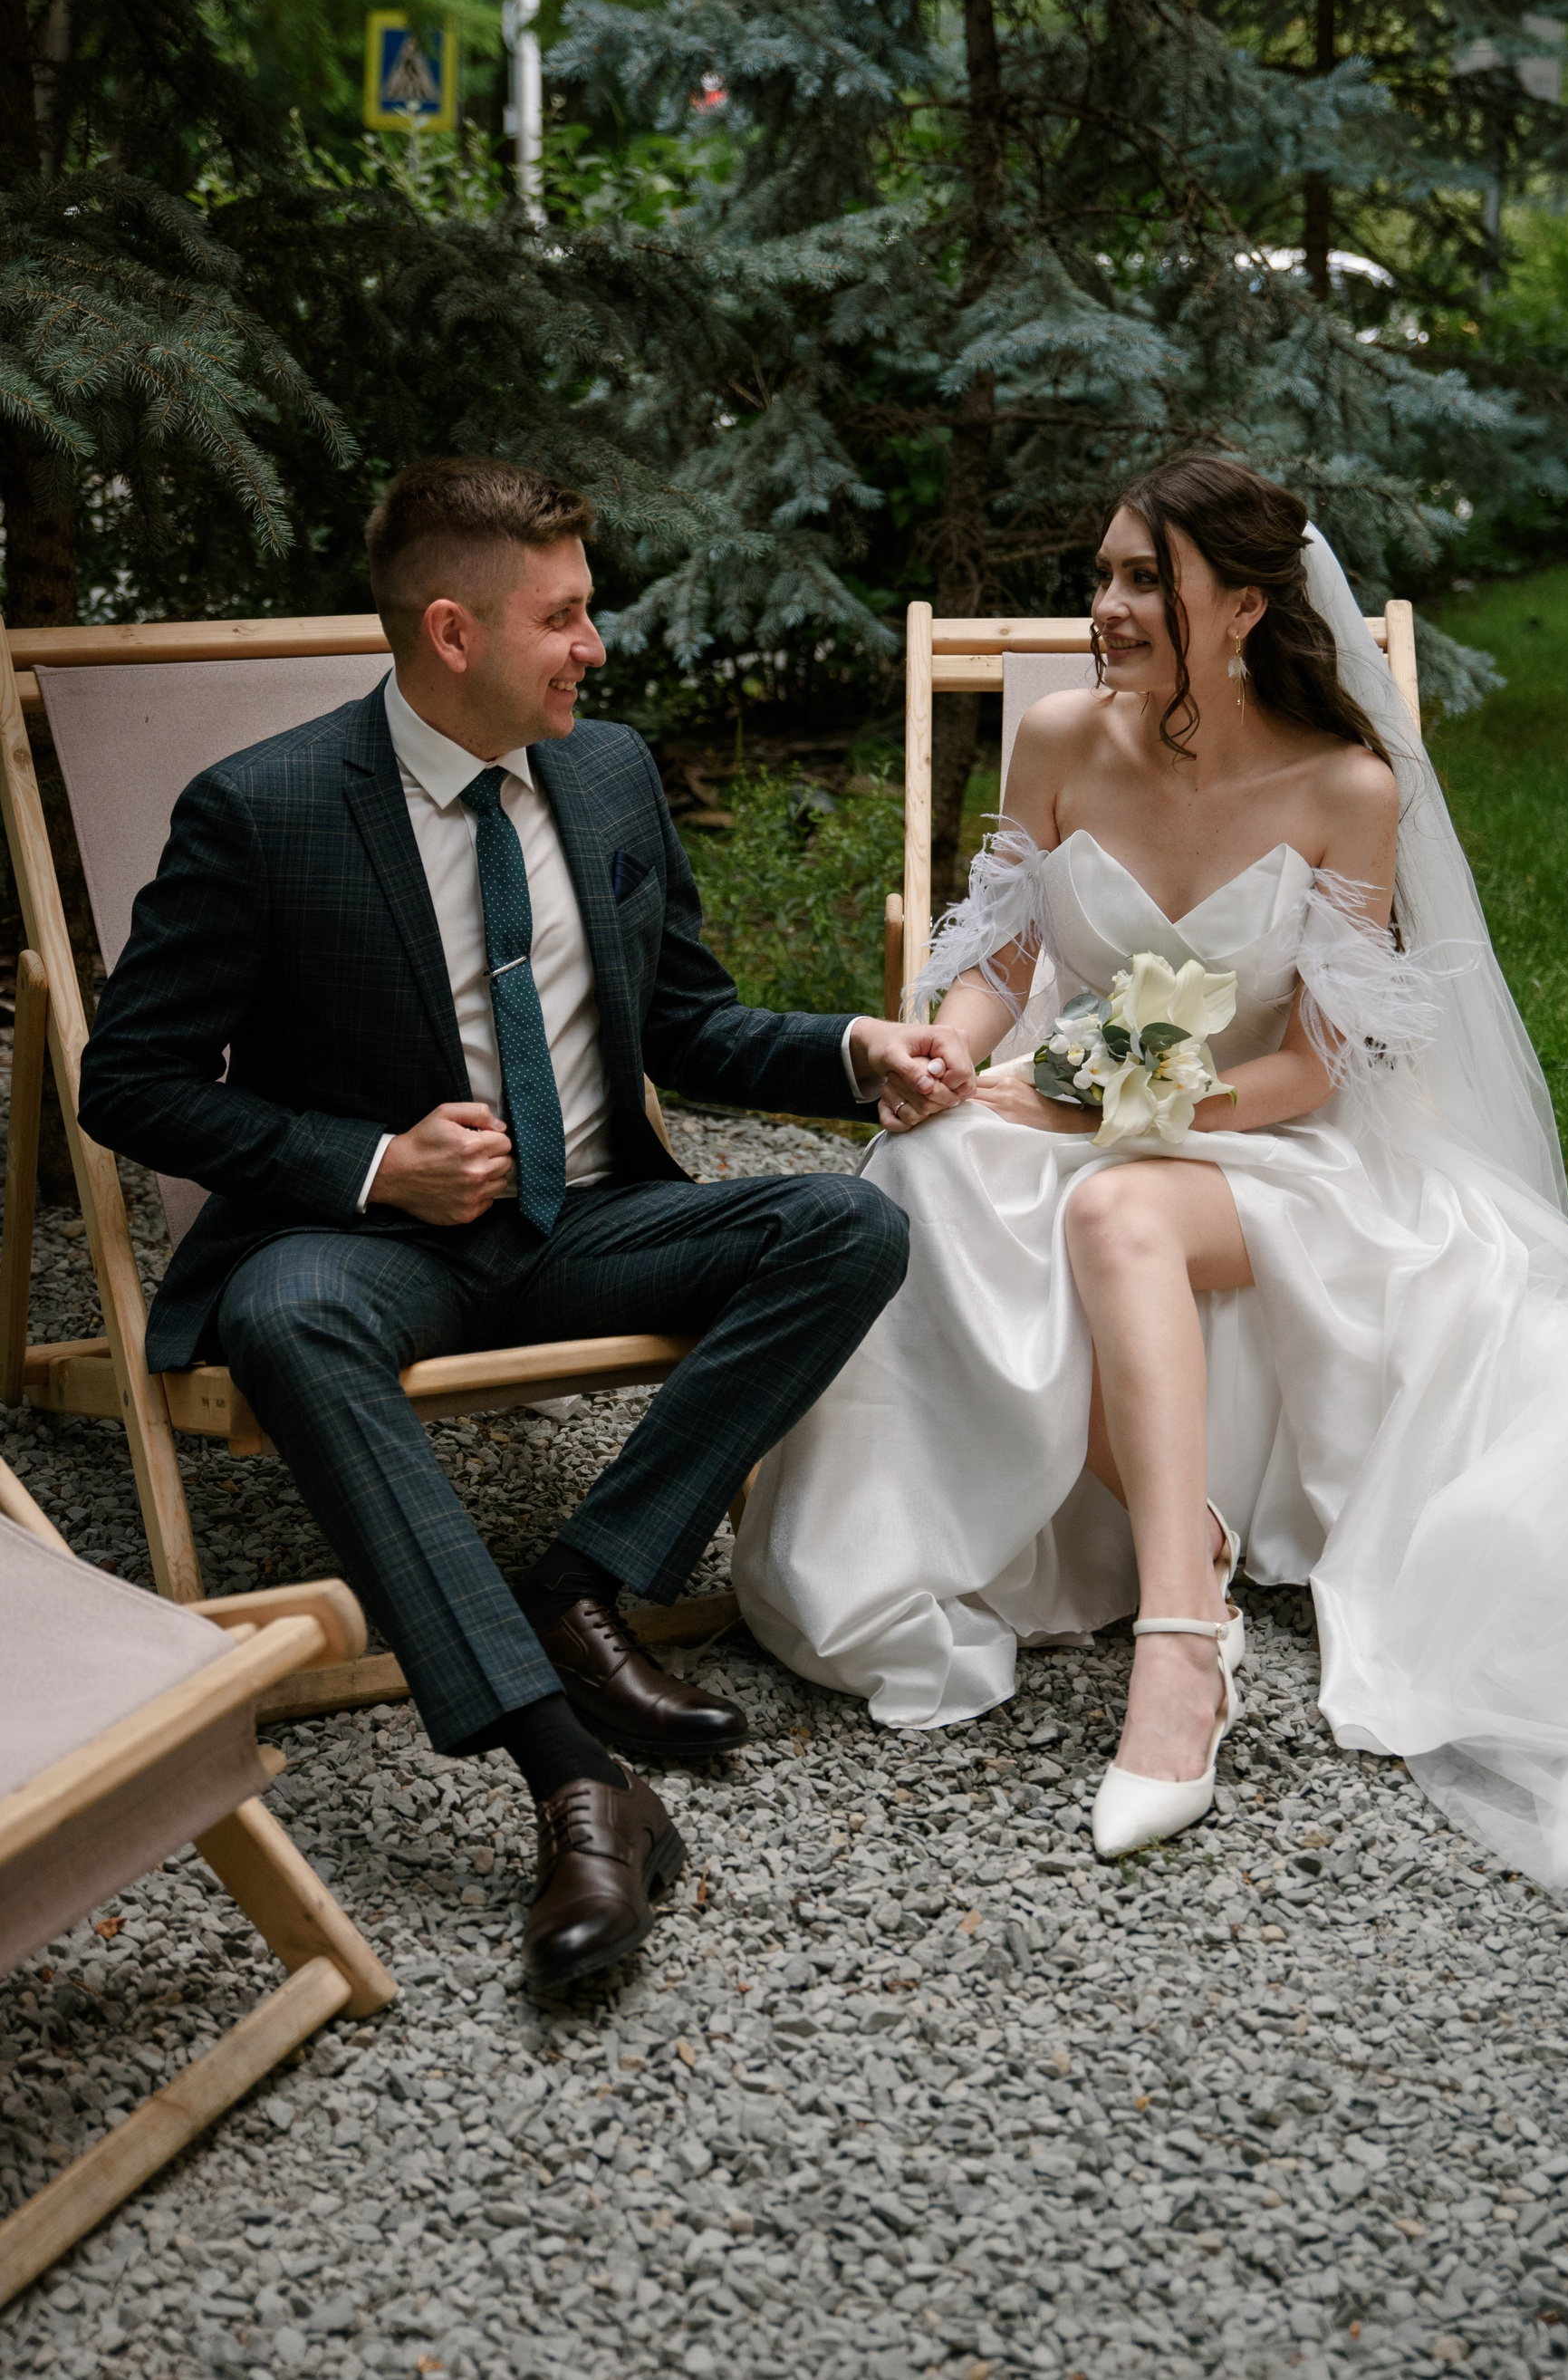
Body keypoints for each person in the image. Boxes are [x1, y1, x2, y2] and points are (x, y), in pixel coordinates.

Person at [735, 454, 1568, 1900]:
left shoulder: (1345, 787)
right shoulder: (1060, 740)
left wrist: (1118, 1105)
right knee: (928, 1154)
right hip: (1091, 1101)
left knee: (1116, 1206)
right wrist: (952, 1049)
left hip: (1274, 1148)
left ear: (1247, 608)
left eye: (1148, 579)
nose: (1106, 606)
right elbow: (1004, 962)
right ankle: (1182, 1542)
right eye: (1102, 575)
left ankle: (1178, 1653)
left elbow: (1315, 1070)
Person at [79, 456, 973, 1990]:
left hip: (591, 1223)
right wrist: (378, 1165)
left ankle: (575, 1586)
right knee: (284, 1315)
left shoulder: (609, 775)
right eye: (561, 617)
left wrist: (852, 1050)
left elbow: (684, 1025)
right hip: (371, 1247)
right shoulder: (264, 808)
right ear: (453, 632)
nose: (594, 646)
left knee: (846, 1230)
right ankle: (572, 1773)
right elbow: (131, 1083)